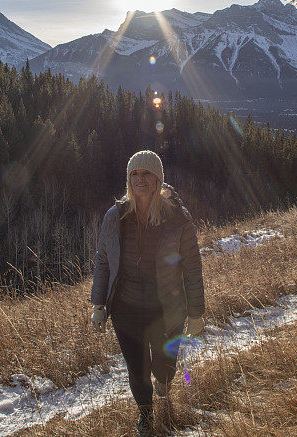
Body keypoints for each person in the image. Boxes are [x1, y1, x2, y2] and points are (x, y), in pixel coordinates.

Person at [90, 150, 205, 436]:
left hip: (167, 310)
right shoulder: (115, 216)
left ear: (158, 179)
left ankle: (164, 380)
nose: (140, 179)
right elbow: (103, 261)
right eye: (135, 174)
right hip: (126, 309)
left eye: (147, 174)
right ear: (129, 179)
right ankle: (145, 415)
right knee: (137, 370)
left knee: (164, 366)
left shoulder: (177, 218)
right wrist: (98, 304)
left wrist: (196, 313)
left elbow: (192, 267)